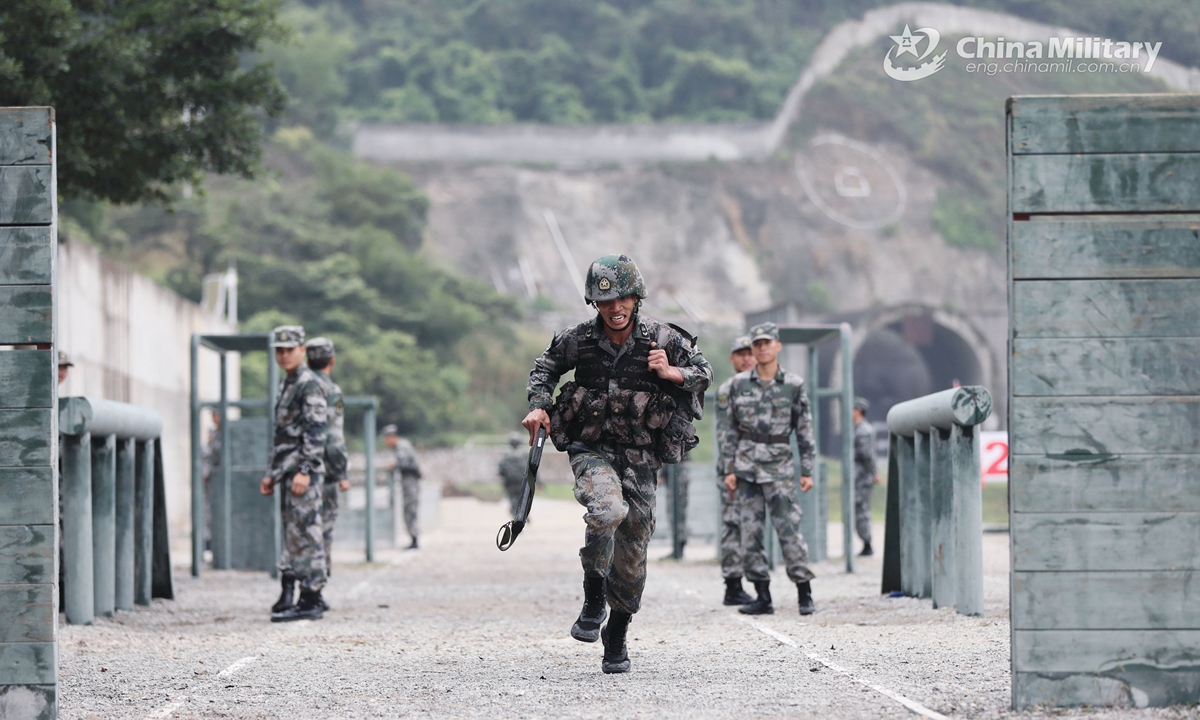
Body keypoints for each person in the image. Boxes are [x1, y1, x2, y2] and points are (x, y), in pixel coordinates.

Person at [523, 253, 712, 674]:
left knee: (633, 553)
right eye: (606, 301)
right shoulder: (580, 340)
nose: (615, 308)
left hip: (641, 458)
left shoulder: (662, 338)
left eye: (623, 298)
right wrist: (539, 407)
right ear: (595, 303)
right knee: (607, 510)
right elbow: (545, 368)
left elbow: (704, 371)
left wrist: (672, 374)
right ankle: (593, 597)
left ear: (636, 297)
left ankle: (618, 633)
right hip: (593, 451)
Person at [719, 321, 817, 616]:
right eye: (757, 344)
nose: (761, 348)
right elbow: (730, 431)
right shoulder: (738, 385)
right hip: (747, 468)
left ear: (777, 346)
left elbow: (804, 429)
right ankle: (762, 596)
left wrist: (807, 469)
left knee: (789, 531)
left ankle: (804, 593)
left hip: (779, 468)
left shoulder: (793, 385)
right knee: (750, 534)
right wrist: (729, 469)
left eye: (766, 343)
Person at [258, 326, 329, 622]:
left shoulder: (307, 383)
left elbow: (316, 432)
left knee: (307, 531)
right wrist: (272, 473)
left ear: (302, 349)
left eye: (289, 349)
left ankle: (311, 598)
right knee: (295, 534)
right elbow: (284, 435)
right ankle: (306, 595)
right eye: (279, 350)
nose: (284, 355)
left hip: (303, 473)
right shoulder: (289, 383)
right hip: (288, 470)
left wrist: (305, 470)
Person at [306, 337, 351, 596]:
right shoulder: (331, 390)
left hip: (298, 470)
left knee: (301, 529)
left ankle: (298, 586)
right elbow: (334, 441)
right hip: (324, 473)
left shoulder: (298, 385)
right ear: (332, 361)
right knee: (324, 528)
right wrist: (341, 473)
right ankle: (317, 589)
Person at [714, 335, 756, 606]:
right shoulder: (729, 390)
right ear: (732, 359)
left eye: (749, 353)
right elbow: (725, 435)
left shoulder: (765, 386)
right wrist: (730, 469)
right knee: (733, 525)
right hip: (734, 469)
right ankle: (733, 585)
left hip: (759, 467)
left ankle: (759, 584)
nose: (746, 358)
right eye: (740, 354)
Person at [383, 425, 422, 550]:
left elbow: (404, 463)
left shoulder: (402, 446)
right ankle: (413, 539)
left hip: (410, 481)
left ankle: (414, 539)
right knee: (409, 510)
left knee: (410, 509)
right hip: (408, 481)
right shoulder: (402, 446)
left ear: (392, 437)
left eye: (386, 438)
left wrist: (393, 466)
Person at [852, 397, 882, 557]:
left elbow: (866, 455)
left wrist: (873, 473)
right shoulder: (857, 429)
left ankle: (867, 543)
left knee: (861, 509)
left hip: (862, 478)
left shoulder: (863, 430)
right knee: (859, 509)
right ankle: (865, 542)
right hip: (859, 477)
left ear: (858, 411)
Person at [657, 452, 690, 559]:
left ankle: (678, 548)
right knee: (676, 512)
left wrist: (662, 474)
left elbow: (672, 451)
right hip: (678, 471)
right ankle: (678, 547)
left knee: (676, 512)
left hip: (678, 472)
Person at [498, 432, 527, 518]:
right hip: (521, 480)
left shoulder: (506, 454)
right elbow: (531, 466)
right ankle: (522, 513)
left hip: (510, 481)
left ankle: (515, 513)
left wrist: (503, 477)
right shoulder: (524, 454)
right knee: (522, 498)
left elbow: (501, 467)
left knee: (512, 498)